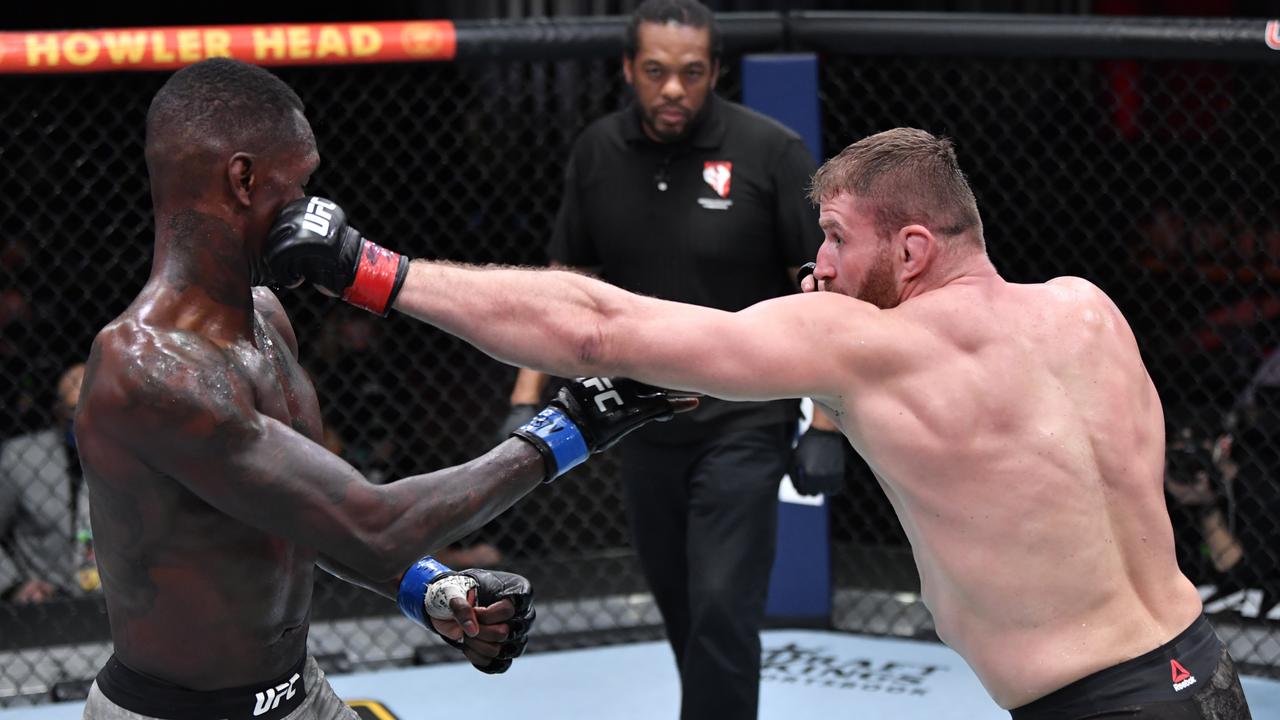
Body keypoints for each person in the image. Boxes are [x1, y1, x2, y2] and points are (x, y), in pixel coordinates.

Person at [267, 127, 1254, 718]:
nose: (817, 266)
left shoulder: (865, 344)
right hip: (1205, 675)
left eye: (833, 238)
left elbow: (599, 328)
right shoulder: (1087, 307)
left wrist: (371, 269)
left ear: (911, 249)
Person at [74, 57, 695, 720]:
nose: (312, 206)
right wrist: (569, 430)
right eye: (301, 181)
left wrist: (429, 588)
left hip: (299, 693)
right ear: (244, 178)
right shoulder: (149, 369)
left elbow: (316, 519)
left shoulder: (267, 319)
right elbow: (373, 525)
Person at [491, 2, 829, 716]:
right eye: (655, 72)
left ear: (714, 72)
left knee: (721, 607)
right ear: (628, 71)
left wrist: (825, 423)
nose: (673, 88)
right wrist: (528, 395)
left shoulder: (772, 152)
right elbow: (567, 278)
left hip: (746, 417)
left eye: (691, 72)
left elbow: (823, 292)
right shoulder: (597, 151)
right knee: (681, 605)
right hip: (640, 419)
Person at [0, 362, 96, 603]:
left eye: (94, 408)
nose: (84, 419)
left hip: (119, 602)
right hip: (48, 602)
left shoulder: (137, 458)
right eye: (75, 409)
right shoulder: (22, 459)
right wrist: (14, 585)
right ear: (58, 413)